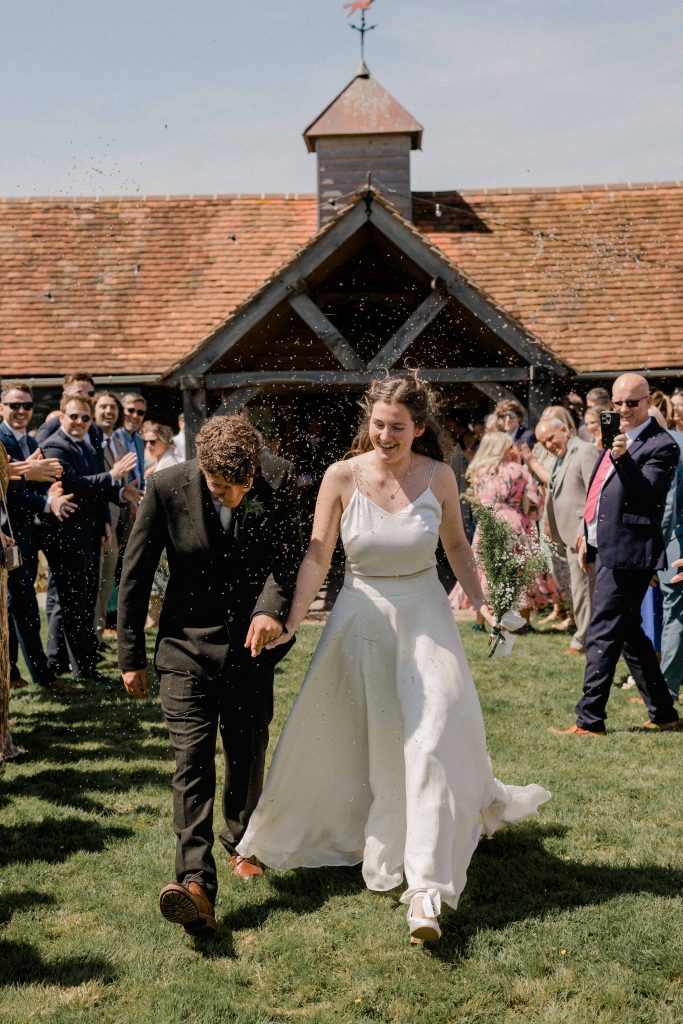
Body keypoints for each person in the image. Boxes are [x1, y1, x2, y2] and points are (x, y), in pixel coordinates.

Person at [237, 375, 550, 945]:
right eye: (378, 424)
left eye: (397, 427)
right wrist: (291, 620)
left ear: (419, 428)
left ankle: (425, 891)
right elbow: (318, 555)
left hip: (426, 617)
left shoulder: (439, 476)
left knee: (431, 740)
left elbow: (457, 546)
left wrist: (482, 604)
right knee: (366, 744)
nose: (385, 435)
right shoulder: (341, 476)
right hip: (360, 620)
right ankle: (333, 831)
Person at [117, 414, 302, 934]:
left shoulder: (280, 479)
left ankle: (242, 842)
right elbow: (135, 572)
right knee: (192, 760)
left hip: (251, 647)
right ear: (202, 470)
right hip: (184, 648)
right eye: (222, 488)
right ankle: (195, 883)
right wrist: (130, 656)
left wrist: (270, 608)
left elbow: (288, 556)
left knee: (247, 748)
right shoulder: (165, 487)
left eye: (243, 487)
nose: (233, 498)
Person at [552, 373, 681, 736]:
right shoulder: (611, 441)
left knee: (603, 630)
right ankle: (664, 713)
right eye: (617, 402)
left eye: (632, 403)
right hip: (605, 544)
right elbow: (599, 493)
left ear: (648, 403)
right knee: (628, 634)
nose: (623, 409)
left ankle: (589, 719)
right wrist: (587, 534)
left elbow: (647, 498)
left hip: (631, 551)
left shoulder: (661, 445)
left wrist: (623, 458)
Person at [41, 392, 140, 683]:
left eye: (85, 417)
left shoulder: (88, 442)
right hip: (65, 535)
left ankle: (71, 663)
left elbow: (96, 490)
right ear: (62, 417)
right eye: (73, 416)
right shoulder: (54, 445)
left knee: (83, 601)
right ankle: (79, 667)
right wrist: (112, 476)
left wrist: (119, 494)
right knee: (73, 603)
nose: (80, 422)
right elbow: (73, 484)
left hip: (89, 533)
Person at [0, 382, 79, 693]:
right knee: (21, 607)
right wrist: (45, 501)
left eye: (27, 406)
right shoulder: (2, 440)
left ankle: (15, 673)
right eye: (14, 405)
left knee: (18, 606)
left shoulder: (30, 441)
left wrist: (51, 491)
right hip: (7, 535)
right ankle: (39, 676)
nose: (21, 411)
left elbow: (30, 485)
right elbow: (7, 490)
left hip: (26, 535)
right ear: (2, 408)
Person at [450, 431, 555, 628]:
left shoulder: (479, 470)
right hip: (514, 521)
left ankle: (480, 621)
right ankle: (524, 622)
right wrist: (532, 512)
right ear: (505, 448)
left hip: (488, 522)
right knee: (520, 569)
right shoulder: (518, 470)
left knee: (485, 568)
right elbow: (535, 497)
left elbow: (477, 498)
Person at [535, 417, 598, 655]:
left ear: (564, 430)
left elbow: (596, 493)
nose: (549, 445)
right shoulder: (560, 458)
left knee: (584, 591)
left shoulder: (585, 451)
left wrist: (585, 527)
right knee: (580, 589)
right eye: (544, 443)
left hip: (583, 536)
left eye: (551, 439)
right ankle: (586, 637)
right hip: (567, 536)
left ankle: (582, 640)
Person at [93, 391, 128, 646]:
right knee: (94, 584)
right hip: (96, 523)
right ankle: (91, 638)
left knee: (106, 583)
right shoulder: (90, 441)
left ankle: (98, 634)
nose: (108, 412)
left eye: (113, 407)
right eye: (103, 407)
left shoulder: (119, 443)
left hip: (115, 523)